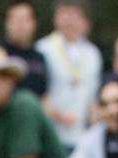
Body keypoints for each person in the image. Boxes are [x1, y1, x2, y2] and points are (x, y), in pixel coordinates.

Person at [37, 0, 101, 149]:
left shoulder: (93, 53)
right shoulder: (43, 50)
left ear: (85, 21)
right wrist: (59, 116)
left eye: (75, 14)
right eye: (65, 13)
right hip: (51, 136)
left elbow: (93, 96)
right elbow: (39, 95)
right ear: (56, 17)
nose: (70, 19)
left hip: (83, 137)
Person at [2, 0, 48, 98]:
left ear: (34, 23)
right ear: (7, 23)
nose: (20, 25)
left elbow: (43, 96)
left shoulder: (39, 58)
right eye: (15, 20)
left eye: (25, 19)